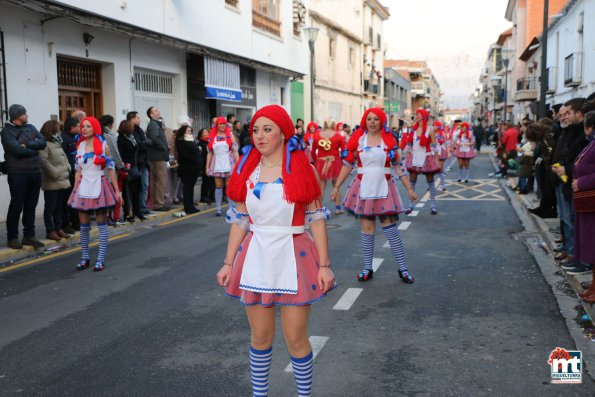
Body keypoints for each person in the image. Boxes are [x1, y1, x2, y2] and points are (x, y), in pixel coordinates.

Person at [217, 104, 335, 397]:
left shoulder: (302, 168)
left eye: (267, 129)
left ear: (284, 134)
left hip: (294, 256)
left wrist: (324, 265)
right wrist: (229, 263)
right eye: (255, 130)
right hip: (256, 255)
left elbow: (316, 220)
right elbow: (240, 220)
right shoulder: (247, 169)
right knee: (260, 336)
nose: (259, 136)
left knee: (295, 338)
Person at [331, 107, 418, 284]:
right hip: (364, 189)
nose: (372, 122)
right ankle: (367, 268)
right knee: (367, 231)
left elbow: (398, 166)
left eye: (375, 119)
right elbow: (348, 165)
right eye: (369, 119)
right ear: (365, 121)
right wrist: (337, 186)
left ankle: (403, 269)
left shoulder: (389, 140)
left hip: (385, 187)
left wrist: (409, 188)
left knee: (391, 231)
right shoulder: (358, 140)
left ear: (381, 121)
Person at [68, 117, 120, 272]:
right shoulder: (80, 145)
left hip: (99, 184)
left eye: (88, 126)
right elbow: (78, 170)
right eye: (83, 126)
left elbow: (110, 169)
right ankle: (85, 258)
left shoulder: (104, 146)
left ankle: (100, 259)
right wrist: (75, 189)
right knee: (83, 227)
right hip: (83, 187)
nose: (84, 129)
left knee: (101, 224)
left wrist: (117, 191)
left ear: (95, 128)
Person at [1, 104, 47, 249]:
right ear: (16, 116)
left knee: (31, 205)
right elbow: (16, 150)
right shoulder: (6, 131)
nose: (27, 115)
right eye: (24, 113)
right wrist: (34, 149)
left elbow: (43, 142)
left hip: (34, 171)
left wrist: (27, 145)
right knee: (16, 205)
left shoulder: (31, 127)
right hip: (17, 173)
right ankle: (12, 237)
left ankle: (29, 236)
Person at [553, 98, 588, 271]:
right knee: (565, 218)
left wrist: (565, 169)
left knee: (571, 219)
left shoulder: (581, 134)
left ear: (579, 114)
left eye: (567, 113)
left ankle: (575, 253)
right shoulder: (566, 132)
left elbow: (581, 161)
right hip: (563, 180)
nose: (563, 117)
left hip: (573, 182)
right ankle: (569, 249)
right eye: (562, 114)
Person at [402, 109, 441, 214]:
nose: (416, 116)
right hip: (414, 157)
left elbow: (434, 145)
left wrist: (436, 160)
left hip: (427, 157)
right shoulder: (413, 130)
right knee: (412, 182)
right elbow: (409, 145)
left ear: (423, 117)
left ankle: (433, 205)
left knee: (430, 182)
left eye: (418, 114)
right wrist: (406, 159)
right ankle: (410, 205)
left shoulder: (430, 129)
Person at [39, 120, 71, 241]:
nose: (59, 131)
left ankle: (59, 228)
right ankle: (50, 230)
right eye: (58, 129)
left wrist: (68, 168)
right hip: (52, 181)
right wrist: (56, 173)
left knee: (59, 207)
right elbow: (43, 162)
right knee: (50, 207)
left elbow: (64, 158)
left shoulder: (57, 143)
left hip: (62, 180)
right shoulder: (44, 144)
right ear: (51, 130)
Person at [575, 110, 595, 302]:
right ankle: (593, 286)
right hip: (587, 203)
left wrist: (581, 183)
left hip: (591, 201)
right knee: (590, 242)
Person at [206, 116, 239, 216]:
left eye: (224, 124)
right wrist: (207, 167)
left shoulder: (230, 135)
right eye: (220, 124)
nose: (222, 126)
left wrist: (239, 164)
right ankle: (218, 209)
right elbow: (210, 153)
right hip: (216, 163)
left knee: (228, 186)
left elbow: (235, 151)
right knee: (218, 186)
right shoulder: (212, 136)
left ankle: (231, 208)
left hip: (228, 162)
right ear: (217, 125)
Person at [312, 119, 346, 215]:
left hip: (321, 162)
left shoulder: (317, 136)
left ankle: (318, 209)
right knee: (336, 185)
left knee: (321, 186)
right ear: (334, 125)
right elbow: (344, 150)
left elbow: (312, 151)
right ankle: (338, 208)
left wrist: (316, 161)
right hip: (335, 162)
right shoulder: (338, 136)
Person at [117, 120, 145, 222]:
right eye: (131, 126)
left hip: (134, 166)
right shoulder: (121, 139)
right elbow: (121, 154)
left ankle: (137, 211)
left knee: (136, 190)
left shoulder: (131, 137)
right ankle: (128, 213)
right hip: (128, 167)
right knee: (128, 192)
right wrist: (125, 167)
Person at [100, 115, 124, 225]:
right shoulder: (108, 135)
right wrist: (121, 165)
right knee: (110, 193)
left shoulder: (102, 134)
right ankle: (109, 217)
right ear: (109, 124)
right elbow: (114, 152)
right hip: (109, 169)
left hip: (105, 168)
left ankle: (108, 216)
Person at [127, 111, 152, 216]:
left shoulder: (140, 130)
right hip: (136, 163)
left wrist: (145, 143)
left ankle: (143, 207)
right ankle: (137, 208)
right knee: (137, 187)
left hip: (144, 162)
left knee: (145, 185)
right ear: (131, 119)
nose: (139, 119)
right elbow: (140, 145)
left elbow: (146, 143)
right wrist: (145, 143)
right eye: (137, 118)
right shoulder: (130, 131)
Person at [146, 107, 170, 211]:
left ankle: (157, 203)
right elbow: (155, 138)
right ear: (151, 115)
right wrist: (164, 147)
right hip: (157, 156)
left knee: (158, 180)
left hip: (158, 155)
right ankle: (158, 204)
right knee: (160, 180)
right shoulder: (153, 124)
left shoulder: (155, 124)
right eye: (155, 110)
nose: (158, 111)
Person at [175, 125, 202, 214]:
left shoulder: (191, 140)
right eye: (187, 131)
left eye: (190, 131)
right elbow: (184, 155)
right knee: (187, 188)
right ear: (183, 132)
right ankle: (188, 207)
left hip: (194, 167)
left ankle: (191, 206)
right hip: (186, 168)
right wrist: (195, 157)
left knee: (191, 188)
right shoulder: (181, 141)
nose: (189, 132)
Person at [61, 117, 81, 233]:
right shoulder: (64, 139)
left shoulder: (74, 138)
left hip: (76, 173)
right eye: (78, 126)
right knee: (67, 201)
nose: (80, 128)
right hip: (68, 175)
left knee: (75, 200)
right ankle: (66, 224)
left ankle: (76, 223)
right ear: (71, 127)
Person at [197, 128, 215, 204]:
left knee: (211, 181)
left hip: (212, 164)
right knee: (206, 181)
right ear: (201, 134)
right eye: (204, 132)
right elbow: (202, 155)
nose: (207, 133)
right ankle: (203, 196)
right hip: (205, 164)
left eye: (207, 131)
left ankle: (211, 196)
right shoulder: (200, 143)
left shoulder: (210, 141)